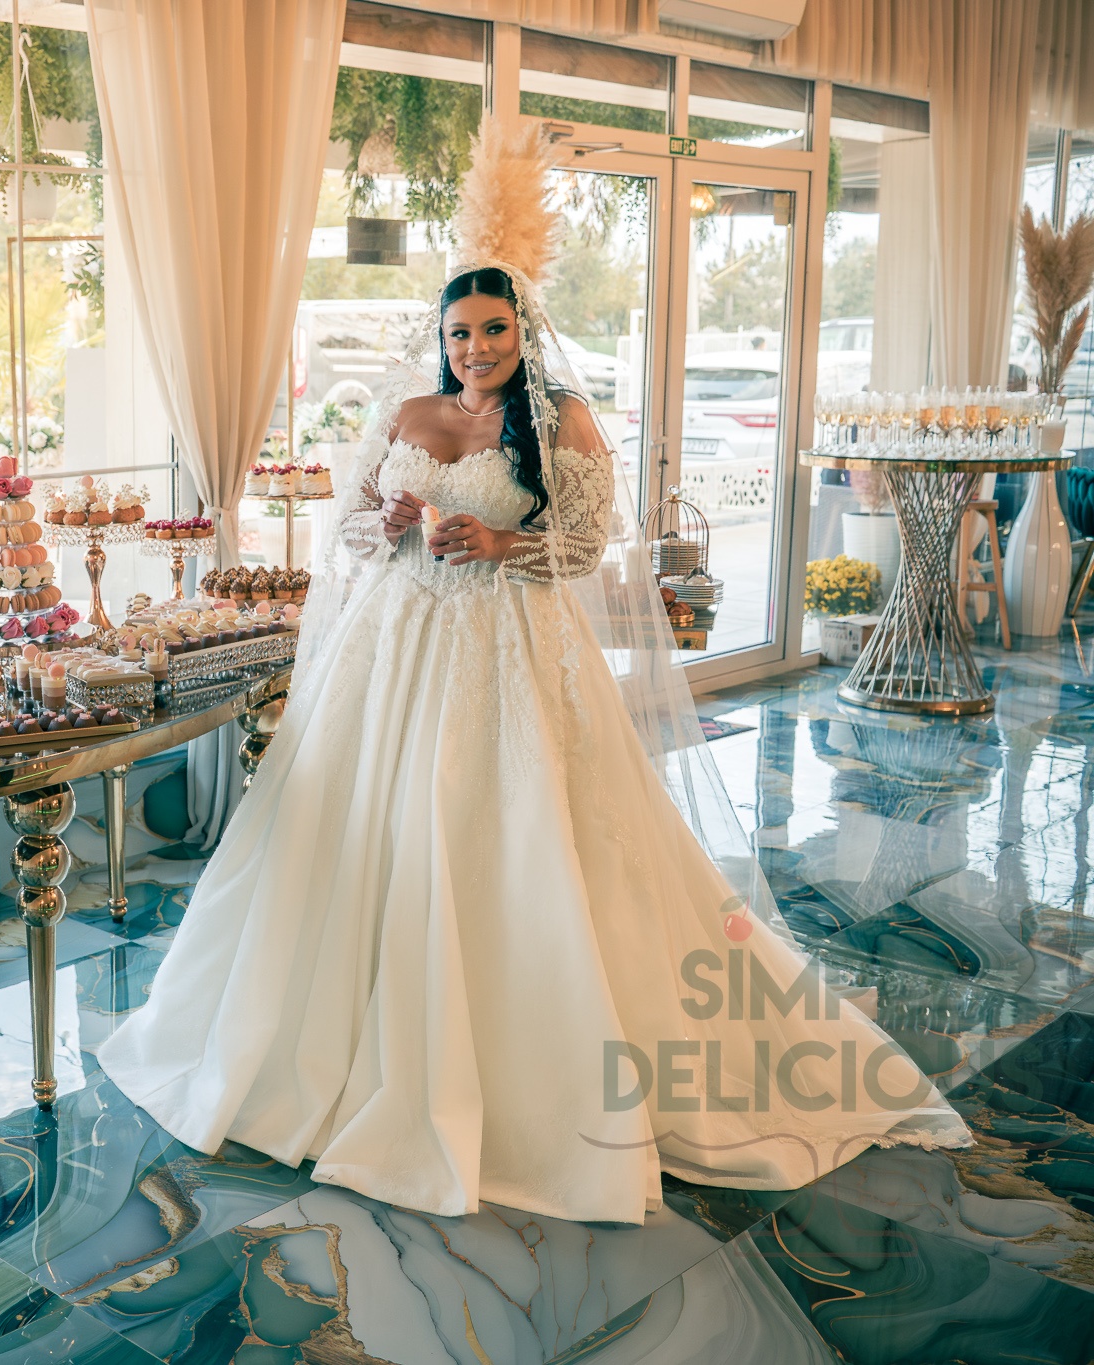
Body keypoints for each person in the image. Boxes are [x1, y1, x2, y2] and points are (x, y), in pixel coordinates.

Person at [95, 121, 969, 1225]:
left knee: (514, 834)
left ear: (522, 330)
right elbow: (350, 530)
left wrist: (501, 541)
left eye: (493, 329)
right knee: (357, 840)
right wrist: (391, 523)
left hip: (504, 647)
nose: (476, 348)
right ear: (440, 337)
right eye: (459, 333)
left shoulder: (561, 423)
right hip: (393, 654)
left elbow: (589, 546)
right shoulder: (406, 414)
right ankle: (317, 1050)